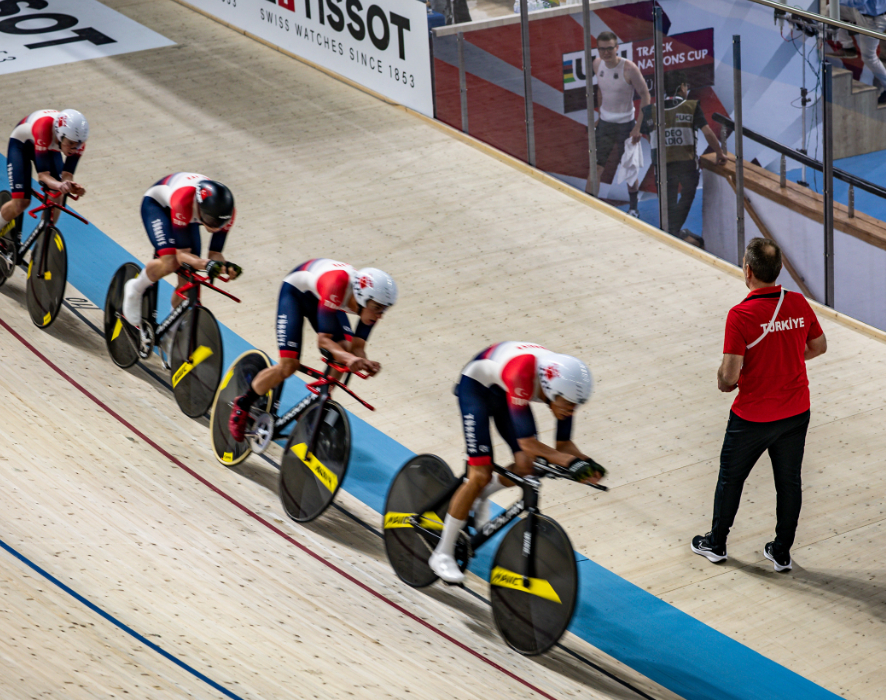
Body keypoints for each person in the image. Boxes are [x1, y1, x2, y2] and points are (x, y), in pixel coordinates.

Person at [691, 238, 827, 572]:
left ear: (747, 271)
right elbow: (819, 346)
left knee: (731, 479)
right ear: (777, 270)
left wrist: (725, 382)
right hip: (796, 411)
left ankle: (717, 543)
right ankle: (781, 552)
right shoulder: (797, 303)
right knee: (789, 482)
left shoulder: (741, 315)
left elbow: (730, 373)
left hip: (751, 417)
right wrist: (789, 360)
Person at [428, 342, 604, 583]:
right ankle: (442, 553)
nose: (572, 412)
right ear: (552, 392)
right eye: (569, 405)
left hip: (504, 390)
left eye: (577, 406)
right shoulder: (523, 374)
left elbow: (563, 446)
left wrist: (587, 464)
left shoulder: (564, 388)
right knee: (479, 474)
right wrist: (570, 461)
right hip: (477, 388)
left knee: (527, 466)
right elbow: (528, 444)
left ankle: (478, 495)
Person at [228, 259, 396, 441]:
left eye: (384, 309)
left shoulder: (369, 306)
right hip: (296, 293)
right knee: (288, 366)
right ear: (362, 298)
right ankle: (243, 404)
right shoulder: (338, 284)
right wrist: (350, 358)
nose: (380, 315)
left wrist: (364, 361)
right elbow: (323, 341)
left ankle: (314, 406)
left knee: (344, 351)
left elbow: (357, 347)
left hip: (326, 299)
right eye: (377, 308)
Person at [122, 173, 242, 341]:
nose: (215, 228)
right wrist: (205, 264)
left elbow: (214, 254)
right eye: (210, 221)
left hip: (189, 217)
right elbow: (181, 255)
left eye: (219, 224)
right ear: (201, 209)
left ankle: (171, 336)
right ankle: (135, 289)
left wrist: (224, 266)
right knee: (170, 261)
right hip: (159, 206)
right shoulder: (183, 200)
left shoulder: (225, 214)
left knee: (189, 277)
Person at [0, 109, 89, 261]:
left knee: (58, 196)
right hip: (22, 145)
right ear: (60, 135)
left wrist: (70, 185)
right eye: (71, 144)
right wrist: (60, 185)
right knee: (21, 202)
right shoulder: (44, 127)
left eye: (78, 145)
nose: (74, 148)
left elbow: (67, 175)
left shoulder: (77, 143)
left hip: (49, 147)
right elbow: (43, 176)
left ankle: (42, 243)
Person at [639, 71, 727, 240]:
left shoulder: (650, 111)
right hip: (687, 164)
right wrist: (719, 152)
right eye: (687, 86)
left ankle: (672, 231)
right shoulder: (691, 106)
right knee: (688, 195)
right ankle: (673, 232)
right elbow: (708, 133)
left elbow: (649, 136)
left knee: (668, 202)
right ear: (681, 88)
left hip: (663, 165)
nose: (688, 89)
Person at [586, 31, 653, 218]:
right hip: (606, 125)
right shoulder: (597, 64)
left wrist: (638, 127)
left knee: (630, 170)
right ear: (598, 50)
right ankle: (587, 205)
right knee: (596, 168)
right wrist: (600, 114)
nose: (606, 53)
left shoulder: (629, 69)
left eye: (610, 49)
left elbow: (646, 95)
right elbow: (601, 89)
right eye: (602, 49)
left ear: (617, 48)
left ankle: (633, 208)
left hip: (626, 126)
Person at [839, 0, 886, 106]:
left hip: (875, 20)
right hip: (861, 12)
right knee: (831, 9)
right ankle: (848, 46)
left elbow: (859, 0)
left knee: (869, 57)